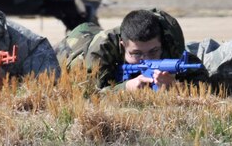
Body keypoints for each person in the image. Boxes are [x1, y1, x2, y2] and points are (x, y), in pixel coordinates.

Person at [56, 8, 204, 92]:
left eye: (153, 51)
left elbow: (203, 81)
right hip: (75, 46)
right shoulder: (100, 52)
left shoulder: (171, 45)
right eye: (137, 53)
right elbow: (90, 97)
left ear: (161, 44)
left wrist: (176, 87)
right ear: (122, 46)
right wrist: (126, 87)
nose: (147, 59)